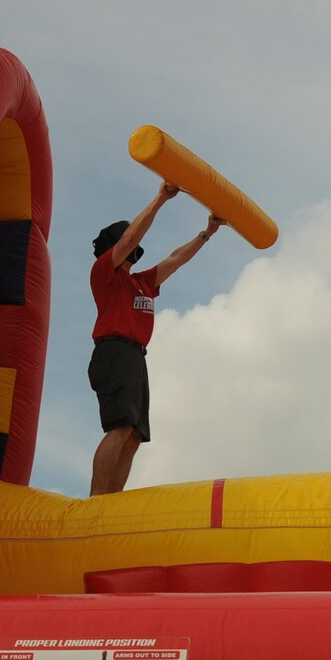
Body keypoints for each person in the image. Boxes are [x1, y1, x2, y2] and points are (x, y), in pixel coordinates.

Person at [88, 181, 226, 495]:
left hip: (136, 357)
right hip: (114, 351)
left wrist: (207, 233)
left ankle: (111, 502)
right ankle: (95, 501)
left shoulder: (142, 283)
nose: (133, 245)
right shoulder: (103, 272)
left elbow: (176, 259)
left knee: (135, 434)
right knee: (120, 426)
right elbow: (132, 236)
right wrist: (162, 197)